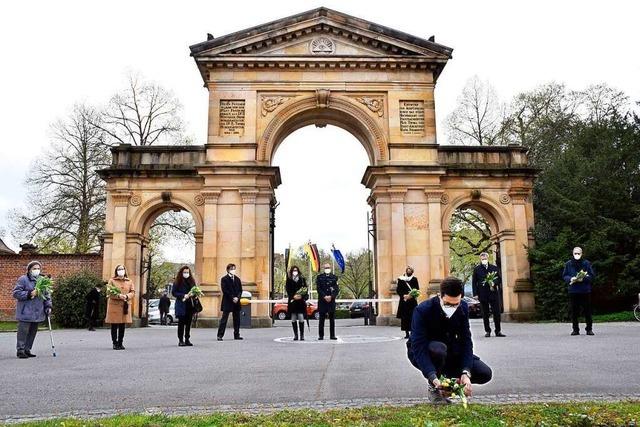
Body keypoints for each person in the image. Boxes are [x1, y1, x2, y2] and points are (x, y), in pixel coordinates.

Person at [407, 276, 492, 404]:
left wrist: (465, 372)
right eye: (447, 304)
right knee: (439, 349)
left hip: (452, 350)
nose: (452, 307)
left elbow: (466, 342)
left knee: (484, 373)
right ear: (439, 296)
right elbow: (418, 347)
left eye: (455, 304)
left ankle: (450, 386)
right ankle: (435, 387)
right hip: (426, 351)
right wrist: (432, 377)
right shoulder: (422, 310)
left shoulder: (463, 307)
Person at [12, 261, 52, 359]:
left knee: (32, 332)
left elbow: (47, 296)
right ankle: (20, 350)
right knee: (23, 332)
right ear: (29, 269)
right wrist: (30, 294)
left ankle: (27, 349)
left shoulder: (43, 280)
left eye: (38, 268)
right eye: (34, 268)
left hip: (38, 311)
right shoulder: (23, 279)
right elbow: (16, 293)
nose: (37, 270)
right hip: (25, 311)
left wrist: (48, 307)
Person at [562, 246, 596, 336]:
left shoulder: (586, 263)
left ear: (582, 254)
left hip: (585, 290)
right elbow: (565, 275)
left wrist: (584, 278)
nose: (577, 255)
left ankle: (589, 329)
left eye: (578, 253)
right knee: (574, 311)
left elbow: (592, 275)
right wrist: (570, 278)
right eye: (575, 253)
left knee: (587, 311)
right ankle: (575, 329)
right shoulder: (568, 264)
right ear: (572, 254)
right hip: (573, 291)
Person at [472, 252, 505, 337]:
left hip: (493, 293)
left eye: (485, 258)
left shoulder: (494, 268)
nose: (484, 260)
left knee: (496, 312)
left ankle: (498, 331)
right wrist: (475, 294)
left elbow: (499, 279)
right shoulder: (477, 269)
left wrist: (493, 283)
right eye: (482, 259)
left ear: (488, 258)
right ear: (480, 259)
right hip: (482, 293)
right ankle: (487, 331)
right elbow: (474, 282)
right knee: (485, 313)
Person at [105, 264, 135, 350]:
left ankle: (120, 342)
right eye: (119, 269)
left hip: (124, 305)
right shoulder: (112, 280)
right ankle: (115, 343)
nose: (121, 270)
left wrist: (127, 296)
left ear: (125, 270)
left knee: (122, 325)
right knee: (114, 325)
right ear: (116, 271)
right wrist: (118, 296)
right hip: (114, 306)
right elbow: (109, 292)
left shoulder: (129, 281)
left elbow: (133, 292)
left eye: (122, 269)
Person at [217, 263, 243, 341]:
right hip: (228, 301)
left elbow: (240, 290)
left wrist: (238, 298)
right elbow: (225, 290)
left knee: (237, 319)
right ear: (228, 270)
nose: (233, 270)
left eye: (234, 268)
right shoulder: (224, 279)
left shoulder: (238, 279)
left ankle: (236, 334)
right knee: (224, 319)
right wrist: (232, 298)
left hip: (236, 302)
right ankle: (220, 335)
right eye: (232, 269)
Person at [172, 266, 196, 346]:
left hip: (190, 304)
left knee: (188, 323)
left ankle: (187, 339)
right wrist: (183, 295)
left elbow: (195, 289)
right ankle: (180, 340)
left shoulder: (192, 281)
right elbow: (174, 292)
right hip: (181, 304)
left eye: (188, 272)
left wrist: (194, 294)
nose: (186, 274)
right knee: (181, 323)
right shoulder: (177, 281)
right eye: (185, 272)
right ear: (181, 273)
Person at [316, 262, 339, 340]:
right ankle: (321, 335)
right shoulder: (319, 277)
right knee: (321, 319)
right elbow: (319, 289)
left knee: (332, 319)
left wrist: (331, 296)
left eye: (328, 267)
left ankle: (332, 335)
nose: (327, 269)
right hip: (322, 301)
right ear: (323, 269)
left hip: (331, 301)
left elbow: (336, 289)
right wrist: (324, 296)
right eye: (326, 268)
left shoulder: (334, 277)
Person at [396, 266, 419, 339]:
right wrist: (404, 296)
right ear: (406, 271)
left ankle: (412, 332)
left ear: (412, 272)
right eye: (408, 271)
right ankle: (406, 333)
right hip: (404, 302)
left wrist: (411, 295)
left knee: (413, 317)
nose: (409, 272)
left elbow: (417, 289)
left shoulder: (414, 279)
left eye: (410, 271)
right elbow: (398, 290)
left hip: (412, 302)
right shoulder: (401, 279)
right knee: (405, 318)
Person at [286, 265, 308, 341]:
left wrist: (301, 296)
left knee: (301, 318)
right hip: (292, 302)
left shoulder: (302, 279)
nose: (295, 272)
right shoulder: (288, 279)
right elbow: (288, 290)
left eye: (296, 270)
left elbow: (305, 289)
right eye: (293, 270)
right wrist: (293, 296)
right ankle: (296, 335)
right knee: (293, 318)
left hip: (300, 302)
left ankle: (302, 335)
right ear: (291, 271)